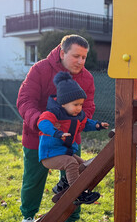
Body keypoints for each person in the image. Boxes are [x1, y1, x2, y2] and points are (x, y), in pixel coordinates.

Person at [16, 34, 96, 222]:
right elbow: (25, 101)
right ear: (62, 52)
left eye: (84, 57)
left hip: (69, 140)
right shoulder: (40, 69)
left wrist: (75, 121)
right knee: (33, 180)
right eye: (76, 56)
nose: (81, 61)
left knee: (74, 179)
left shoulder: (86, 77)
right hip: (37, 137)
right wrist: (42, 123)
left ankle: (70, 221)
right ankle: (28, 218)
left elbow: (89, 107)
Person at [38, 72, 109, 205]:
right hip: (49, 154)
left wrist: (98, 125)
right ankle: (78, 194)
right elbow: (43, 123)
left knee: (85, 166)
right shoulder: (52, 113)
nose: (79, 108)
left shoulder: (77, 116)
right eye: (75, 104)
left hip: (64, 152)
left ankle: (62, 185)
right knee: (71, 163)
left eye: (81, 104)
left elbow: (86, 123)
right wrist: (56, 133)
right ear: (63, 103)